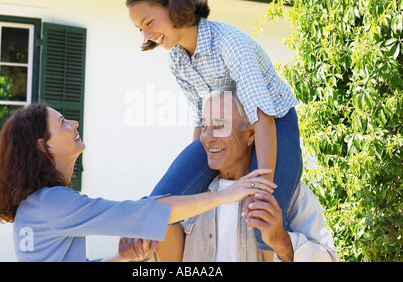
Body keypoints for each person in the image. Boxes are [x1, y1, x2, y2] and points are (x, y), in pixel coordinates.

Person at [124, 0, 303, 260]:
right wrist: (199, 162)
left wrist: (262, 185)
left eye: (148, 22)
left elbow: (263, 118)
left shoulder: (229, 44)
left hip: (273, 124)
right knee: (156, 207)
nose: (147, 34)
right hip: (223, 130)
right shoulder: (177, 59)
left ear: (173, 5)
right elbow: (200, 119)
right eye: (139, 29)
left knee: (262, 218)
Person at [0, 103, 272, 262]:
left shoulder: (35, 207)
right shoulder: (53, 204)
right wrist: (228, 194)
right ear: (45, 147)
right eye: (62, 123)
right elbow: (144, 213)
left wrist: (123, 258)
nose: (74, 124)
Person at [119, 88, 338, 262]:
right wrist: (134, 251)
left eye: (220, 126)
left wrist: (281, 240)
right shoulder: (185, 196)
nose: (208, 137)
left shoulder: (291, 193)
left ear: (251, 134)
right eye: (204, 126)